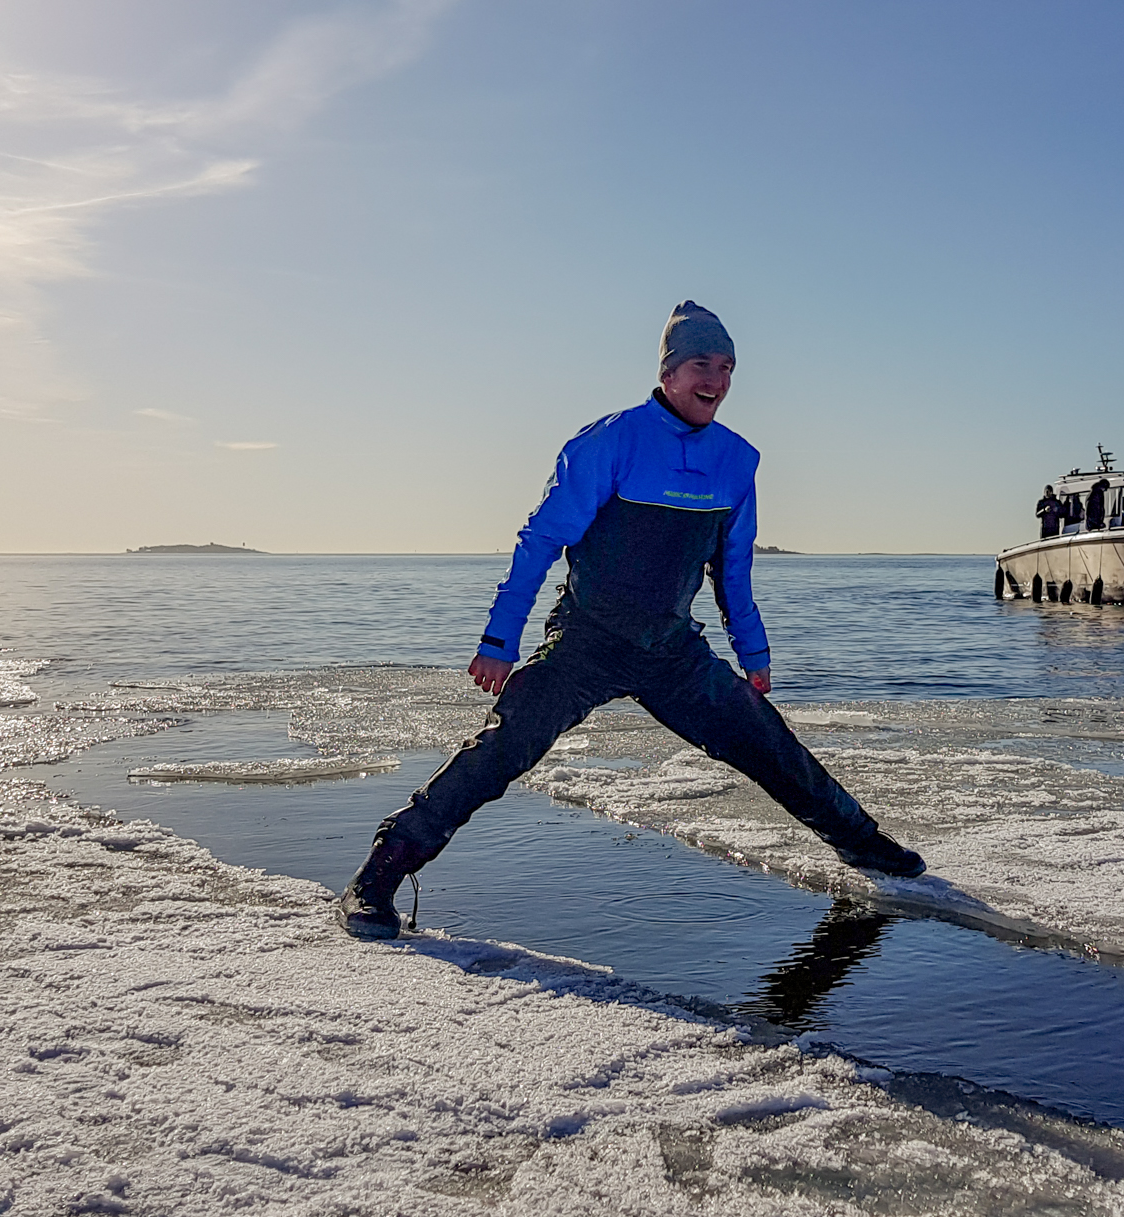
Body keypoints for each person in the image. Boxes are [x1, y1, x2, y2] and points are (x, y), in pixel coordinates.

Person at [338, 301, 926, 940]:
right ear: (670, 373)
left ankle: (866, 848)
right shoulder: (609, 442)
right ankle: (378, 876)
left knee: (770, 746)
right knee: (502, 752)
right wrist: (499, 639)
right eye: (703, 363)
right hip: (586, 640)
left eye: (728, 367)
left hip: (672, 650)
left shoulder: (738, 460)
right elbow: (539, 542)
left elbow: (731, 573)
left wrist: (753, 657)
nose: (717, 380)